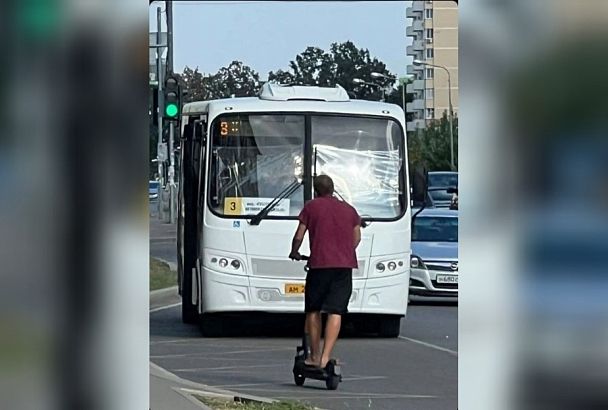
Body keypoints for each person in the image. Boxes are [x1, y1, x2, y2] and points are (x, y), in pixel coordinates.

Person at [289, 175, 361, 369]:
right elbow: (356, 238)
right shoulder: (349, 209)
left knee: (313, 310)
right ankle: (325, 357)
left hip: (320, 266)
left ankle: (314, 355)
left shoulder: (311, 207)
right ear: (333, 189)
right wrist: (344, 251)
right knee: (335, 311)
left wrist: (294, 252)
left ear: (315, 190)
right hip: (344, 267)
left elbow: (299, 235)